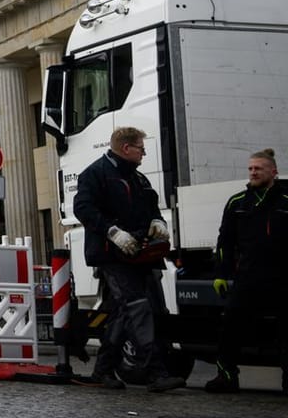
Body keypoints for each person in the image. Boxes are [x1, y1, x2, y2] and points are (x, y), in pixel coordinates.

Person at [72, 125, 185, 392]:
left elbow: (151, 205)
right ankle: (157, 373)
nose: (144, 154)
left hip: (138, 254)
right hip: (112, 255)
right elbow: (83, 208)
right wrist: (112, 232)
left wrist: (157, 221)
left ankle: (102, 371)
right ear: (126, 148)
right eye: (141, 149)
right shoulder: (95, 174)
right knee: (138, 308)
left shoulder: (138, 179)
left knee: (123, 313)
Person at [205, 148, 287, 392]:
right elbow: (225, 242)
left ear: (273, 171)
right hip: (248, 279)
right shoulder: (237, 202)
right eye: (250, 168)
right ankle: (226, 376)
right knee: (230, 328)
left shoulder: (285, 201)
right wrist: (220, 274)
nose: (253, 172)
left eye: (258, 168)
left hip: (282, 279)